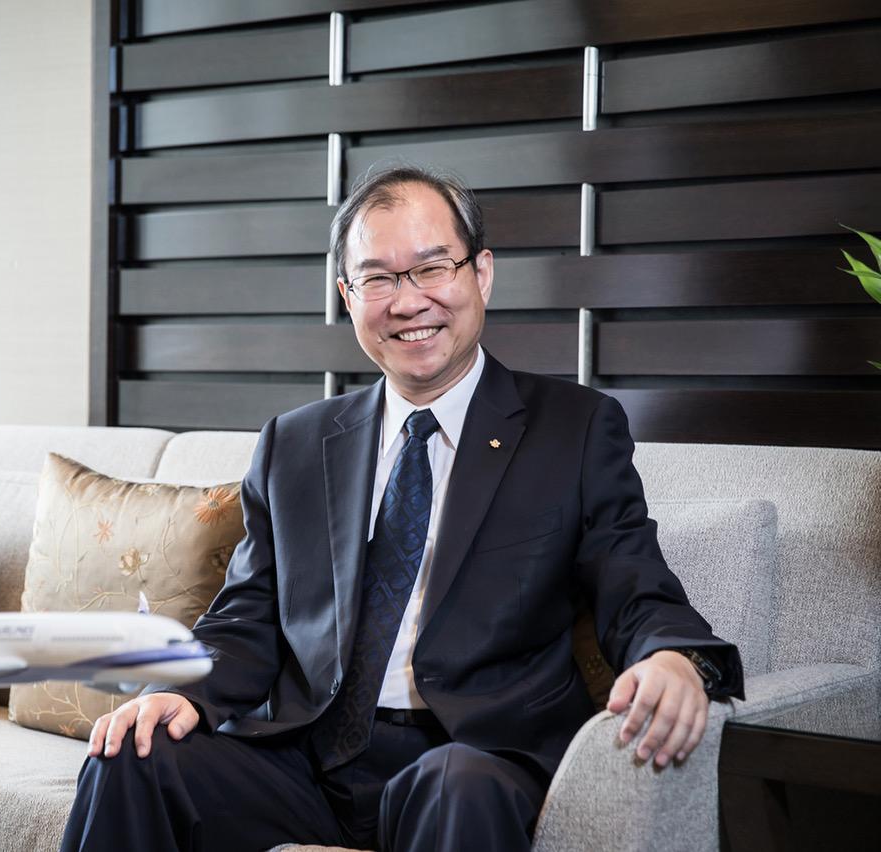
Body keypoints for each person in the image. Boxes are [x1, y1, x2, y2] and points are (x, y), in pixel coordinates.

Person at [60, 164, 743, 852]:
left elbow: (634, 581)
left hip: (471, 755)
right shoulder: (295, 443)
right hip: (305, 756)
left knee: (456, 786)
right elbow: (248, 617)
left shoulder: (573, 428)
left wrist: (674, 658)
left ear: (481, 274)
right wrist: (181, 693)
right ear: (347, 296)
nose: (409, 302)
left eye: (432, 268)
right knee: (133, 754)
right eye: (378, 279)